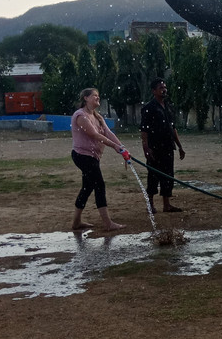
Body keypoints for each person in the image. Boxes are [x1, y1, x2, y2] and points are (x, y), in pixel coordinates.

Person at [70, 87, 130, 231]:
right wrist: (115, 147)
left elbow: (108, 133)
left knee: (88, 187)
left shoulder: (97, 117)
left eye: (98, 96)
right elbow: (94, 135)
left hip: (92, 156)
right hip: (82, 156)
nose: (98, 98)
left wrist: (123, 148)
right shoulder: (81, 116)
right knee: (99, 185)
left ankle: (76, 222)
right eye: (94, 96)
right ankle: (108, 223)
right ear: (85, 98)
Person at [140, 78, 186, 213]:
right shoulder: (148, 108)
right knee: (153, 176)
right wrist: (146, 147)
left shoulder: (168, 106)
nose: (164, 90)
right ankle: (151, 205)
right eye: (160, 88)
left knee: (168, 175)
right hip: (155, 148)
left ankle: (167, 205)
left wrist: (180, 146)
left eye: (164, 87)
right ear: (154, 91)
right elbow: (144, 129)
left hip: (168, 147)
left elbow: (173, 128)